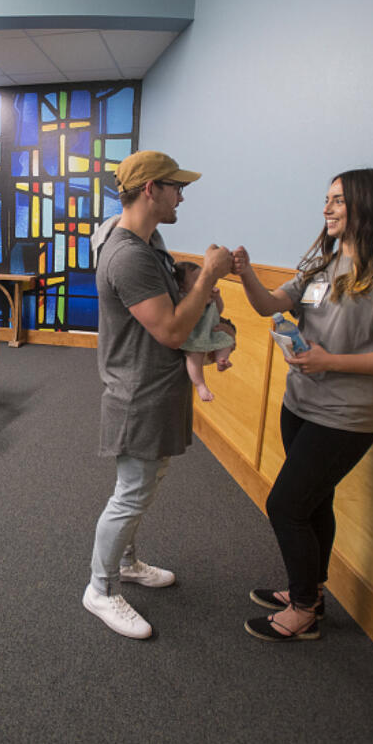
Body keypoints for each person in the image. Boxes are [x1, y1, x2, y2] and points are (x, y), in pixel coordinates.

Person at [232, 168, 373, 641]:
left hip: (346, 418)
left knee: (285, 505)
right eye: (327, 199)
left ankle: (302, 612)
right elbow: (270, 304)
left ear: (369, 204)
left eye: (338, 200)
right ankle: (311, 592)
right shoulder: (324, 262)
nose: (327, 208)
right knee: (315, 502)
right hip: (299, 404)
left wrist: (330, 361)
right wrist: (246, 274)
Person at [84, 150, 232, 639]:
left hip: (157, 388)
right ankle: (100, 589)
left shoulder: (147, 241)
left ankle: (124, 564)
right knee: (130, 495)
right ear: (151, 189)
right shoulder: (128, 254)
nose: (182, 196)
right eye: (175, 187)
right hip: (138, 394)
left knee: (142, 487)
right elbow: (170, 329)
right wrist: (207, 275)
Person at [172, 260, 236, 401]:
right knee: (195, 355)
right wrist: (200, 300)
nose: (204, 283)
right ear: (182, 287)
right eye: (197, 280)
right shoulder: (184, 299)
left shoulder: (209, 294)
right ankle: (200, 384)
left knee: (227, 341)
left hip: (211, 331)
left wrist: (217, 298)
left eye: (204, 278)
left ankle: (222, 360)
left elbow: (219, 311)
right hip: (195, 336)